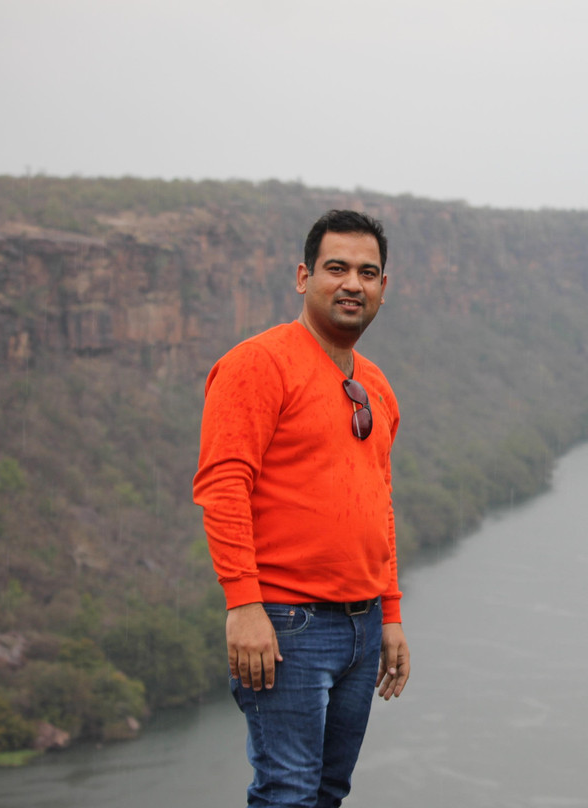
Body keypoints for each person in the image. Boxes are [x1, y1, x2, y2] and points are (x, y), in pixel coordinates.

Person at [193, 209, 410, 807]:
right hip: (289, 624)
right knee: (287, 791)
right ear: (302, 277)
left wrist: (389, 613)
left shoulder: (378, 386)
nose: (352, 284)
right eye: (335, 268)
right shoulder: (258, 365)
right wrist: (243, 605)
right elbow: (223, 485)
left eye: (368, 273)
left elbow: (378, 503)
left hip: (362, 626)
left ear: (383, 290)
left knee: (328, 791)